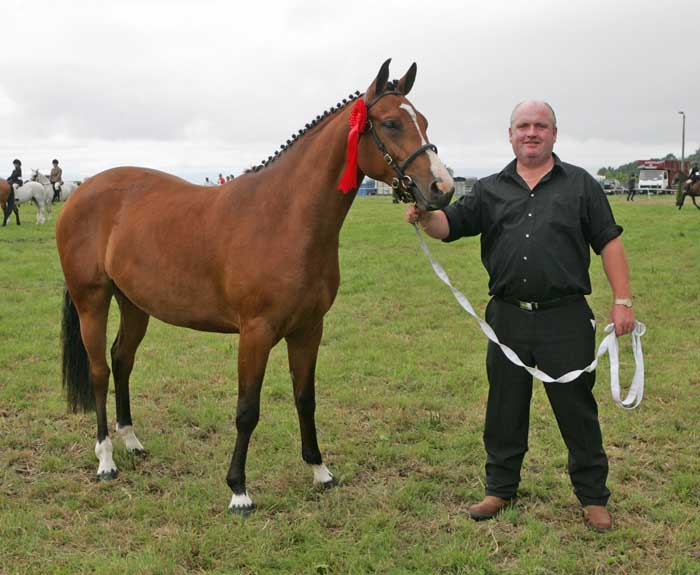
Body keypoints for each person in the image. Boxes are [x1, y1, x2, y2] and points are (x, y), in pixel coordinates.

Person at [406, 101, 635, 532]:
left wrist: (622, 300)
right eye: (523, 126)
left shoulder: (581, 186)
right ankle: (500, 489)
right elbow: (448, 226)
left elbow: (609, 242)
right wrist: (424, 214)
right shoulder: (491, 189)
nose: (532, 133)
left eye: (541, 126)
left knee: (577, 412)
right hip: (507, 318)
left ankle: (592, 498)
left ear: (554, 134)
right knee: (504, 408)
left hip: (564, 319)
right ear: (510, 134)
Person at [4, 159, 22, 223]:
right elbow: (11, 176)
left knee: (14, 186)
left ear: (18, 164)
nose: (15, 165)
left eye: (15, 163)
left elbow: (17, 176)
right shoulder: (14, 170)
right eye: (14, 164)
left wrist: (11, 178)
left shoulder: (19, 169)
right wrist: (7, 179)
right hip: (13, 181)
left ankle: (16, 197)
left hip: (18, 181)